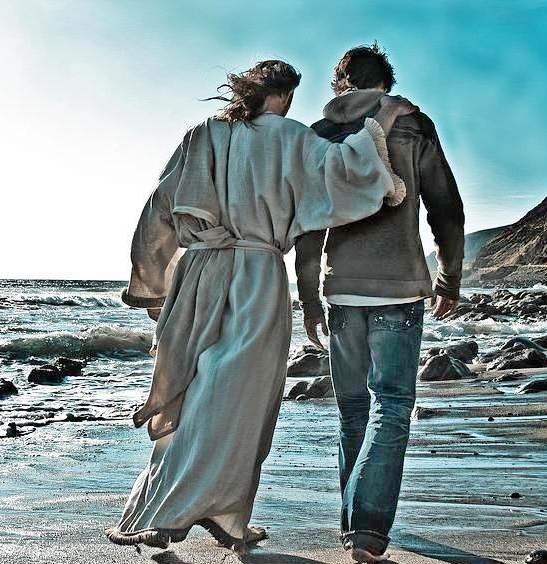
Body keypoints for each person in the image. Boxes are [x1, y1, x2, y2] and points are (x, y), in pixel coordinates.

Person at [105, 59, 417, 552]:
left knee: (194, 390)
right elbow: (348, 171)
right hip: (257, 275)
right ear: (286, 95)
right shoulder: (290, 136)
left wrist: (153, 286)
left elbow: (158, 208)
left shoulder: (202, 134)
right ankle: (177, 513)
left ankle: (223, 518)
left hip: (198, 273)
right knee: (244, 399)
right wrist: (385, 118)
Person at [294, 44, 465, 562]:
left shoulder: (320, 133)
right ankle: (366, 532)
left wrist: (309, 296)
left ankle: (356, 526)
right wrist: (449, 277)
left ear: (339, 82)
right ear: (386, 82)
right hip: (401, 284)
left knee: (353, 410)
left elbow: (309, 220)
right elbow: (445, 205)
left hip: (341, 287)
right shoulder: (412, 123)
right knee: (391, 406)